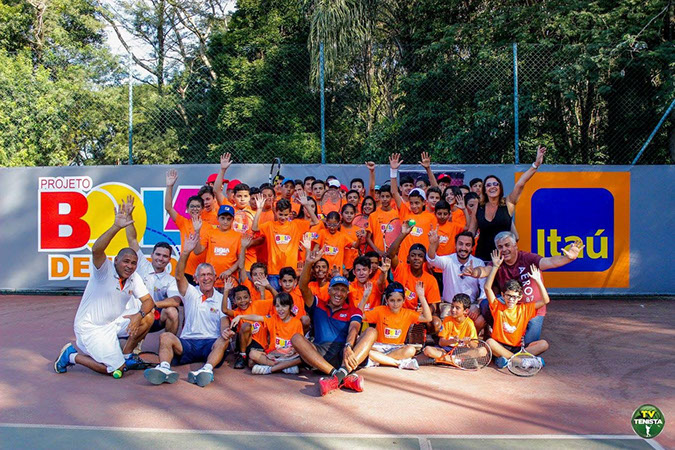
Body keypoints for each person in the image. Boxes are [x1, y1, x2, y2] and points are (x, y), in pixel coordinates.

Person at [54, 199, 156, 377]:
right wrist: (116, 226)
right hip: (91, 329)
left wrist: (138, 316)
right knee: (116, 370)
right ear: (116, 260)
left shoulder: (134, 277)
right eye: (126, 261)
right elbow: (96, 250)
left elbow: (148, 301)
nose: (130, 266)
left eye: (133, 263)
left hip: (113, 323)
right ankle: (71, 356)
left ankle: (126, 355)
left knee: (148, 317)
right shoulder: (104, 270)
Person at [143, 233, 235, 387]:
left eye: (209, 275)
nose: (206, 278)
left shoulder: (222, 299)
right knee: (165, 337)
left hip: (210, 343)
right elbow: (179, 276)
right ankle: (164, 368)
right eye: (202, 275)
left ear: (215, 277)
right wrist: (185, 252)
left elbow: (224, 322)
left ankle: (206, 370)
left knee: (223, 339)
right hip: (188, 343)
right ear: (196, 279)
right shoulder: (190, 292)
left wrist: (226, 332)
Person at [466, 231, 583, 343]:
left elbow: (550, 262)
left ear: (515, 246)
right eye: (500, 247)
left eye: (507, 245)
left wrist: (567, 258)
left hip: (533, 309)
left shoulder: (528, 258)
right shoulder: (498, 262)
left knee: (528, 345)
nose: (504, 249)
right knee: (486, 304)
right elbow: (485, 270)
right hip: (510, 307)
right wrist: (473, 272)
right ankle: (497, 331)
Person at [292, 249, 377, 396]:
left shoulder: (353, 310)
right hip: (320, 354)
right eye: (336, 289)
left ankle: (340, 373)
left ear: (347, 293)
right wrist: (309, 263)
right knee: (296, 338)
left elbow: (354, 329)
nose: (339, 293)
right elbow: (303, 287)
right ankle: (339, 376)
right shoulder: (318, 304)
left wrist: (348, 346)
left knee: (371, 331)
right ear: (329, 290)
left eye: (343, 290)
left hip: (345, 354)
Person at [469, 145, 546, 261]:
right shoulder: (478, 206)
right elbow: (471, 231)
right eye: (488, 185)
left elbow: (520, 183)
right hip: (482, 258)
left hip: (505, 258)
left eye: (495, 184)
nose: (492, 187)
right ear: (484, 190)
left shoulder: (508, 203)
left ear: (500, 187)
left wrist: (535, 165)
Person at [484, 251, 550, 368]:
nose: (511, 299)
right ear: (503, 295)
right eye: (508, 296)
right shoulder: (497, 306)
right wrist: (495, 266)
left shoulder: (524, 309)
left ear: (519, 297)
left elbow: (545, 300)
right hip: (500, 346)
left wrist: (538, 281)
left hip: (518, 348)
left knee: (543, 344)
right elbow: (487, 287)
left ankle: (508, 359)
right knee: (490, 343)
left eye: (514, 297)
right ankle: (520, 361)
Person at [125, 201, 180, 336]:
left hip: (155, 315)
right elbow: (132, 239)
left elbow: (176, 300)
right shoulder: (141, 264)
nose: (160, 258)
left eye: (165, 256)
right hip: (134, 312)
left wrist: (152, 304)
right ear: (152, 255)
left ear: (169, 259)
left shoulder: (170, 280)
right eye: (158, 254)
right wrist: (128, 217)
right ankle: (129, 343)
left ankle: (168, 343)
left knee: (172, 312)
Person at [361, 281, 432, 370]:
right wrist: (365, 297)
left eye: (399, 300)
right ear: (386, 300)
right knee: (365, 350)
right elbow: (359, 316)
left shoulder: (408, 313)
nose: (395, 304)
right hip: (379, 347)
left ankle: (380, 359)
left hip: (397, 349)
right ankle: (397, 363)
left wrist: (421, 296)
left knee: (411, 350)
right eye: (392, 300)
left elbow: (428, 318)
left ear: (404, 300)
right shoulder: (379, 311)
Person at [386, 222, 442, 334]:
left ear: (424, 260)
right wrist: (403, 234)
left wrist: (426, 310)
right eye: (413, 255)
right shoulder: (401, 269)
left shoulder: (430, 279)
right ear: (408, 258)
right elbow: (390, 254)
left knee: (436, 323)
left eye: (420, 256)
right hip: (399, 312)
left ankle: (424, 337)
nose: (416, 258)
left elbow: (434, 305)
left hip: (419, 315)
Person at [253, 195, 318, 291]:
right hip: (274, 272)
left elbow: (316, 221)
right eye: (280, 214)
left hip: (290, 272)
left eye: (286, 215)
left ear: (290, 213)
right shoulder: (270, 226)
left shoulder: (296, 225)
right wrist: (259, 209)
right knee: (274, 298)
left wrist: (306, 205)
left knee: (290, 298)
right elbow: (254, 228)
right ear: (275, 212)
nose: (283, 217)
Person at [231, 292, 304, 375]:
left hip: (288, 356)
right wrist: (240, 316)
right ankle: (284, 367)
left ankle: (270, 368)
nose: (280, 309)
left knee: (301, 357)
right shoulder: (273, 319)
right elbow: (256, 317)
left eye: (284, 306)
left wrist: (293, 351)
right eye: (277, 306)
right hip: (273, 355)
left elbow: (300, 343)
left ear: (291, 306)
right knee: (252, 354)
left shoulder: (297, 323)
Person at [427, 230, 486, 330]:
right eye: (460, 244)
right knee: (445, 328)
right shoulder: (448, 260)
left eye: (467, 245)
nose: (463, 248)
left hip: (470, 306)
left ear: (472, 248)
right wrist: (432, 244)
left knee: (480, 320)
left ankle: (471, 339)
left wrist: (478, 307)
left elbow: (484, 291)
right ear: (455, 245)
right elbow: (432, 259)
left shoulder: (478, 263)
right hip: (449, 305)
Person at [164, 169, 207, 285]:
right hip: (185, 271)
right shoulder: (183, 223)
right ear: (187, 209)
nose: (195, 209)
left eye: (198, 206)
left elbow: (198, 251)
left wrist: (197, 231)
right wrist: (169, 186)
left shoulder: (209, 227)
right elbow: (168, 207)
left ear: (202, 209)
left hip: (202, 274)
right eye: (192, 206)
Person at [222, 283, 274, 369]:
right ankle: (242, 356)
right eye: (239, 299)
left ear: (250, 298)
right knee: (246, 325)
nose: (243, 301)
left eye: (245, 297)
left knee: (251, 363)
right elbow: (224, 310)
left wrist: (269, 287)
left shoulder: (258, 305)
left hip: (260, 345)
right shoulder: (237, 312)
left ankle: (277, 366)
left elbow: (278, 300)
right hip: (245, 344)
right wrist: (226, 291)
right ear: (234, 301)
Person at [193, 205, 243, 290]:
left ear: (233, 220)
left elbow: (241, 259)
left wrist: (230, 271)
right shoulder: (210, 233)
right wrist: (197, 231)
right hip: (211, 281)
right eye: (222, 218)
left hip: (230, 282)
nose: (225, 222)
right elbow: (197, 251)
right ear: (217, 218)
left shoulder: (238, 236)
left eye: (228, 219)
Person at [423, 294, 479, 364]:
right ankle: (457, 361)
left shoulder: (469, 323)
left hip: (461, 352)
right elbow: (441, 342)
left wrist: (469, 342)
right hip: (446, 350)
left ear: (466, 311)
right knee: (427, 350)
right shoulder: (447, 320)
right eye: (452, 306)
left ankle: (447, 360)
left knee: (482, 351)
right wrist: (452, 341)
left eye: (457, 308)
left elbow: (475, 345)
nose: (453, 310)